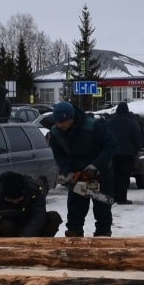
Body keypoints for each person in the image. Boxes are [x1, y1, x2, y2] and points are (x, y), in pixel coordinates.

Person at [47, 100, 116, 237]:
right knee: (75, 211)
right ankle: (74, 237)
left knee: (102, 208)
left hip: (99, 174)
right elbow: (59, 154)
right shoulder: (56, 132)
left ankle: (103, 237)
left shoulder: (93, 126)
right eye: (57, 122)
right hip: (78, 177)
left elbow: (111, 146)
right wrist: (67, 171)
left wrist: (96, 165)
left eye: (63, 122)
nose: (60, 126)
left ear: (71, 118)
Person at [0, 171, 63, 238]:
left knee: (53, 217)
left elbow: (38, 217)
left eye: (17, 200)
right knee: (6, 225)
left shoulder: (34, 191)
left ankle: (41, 247)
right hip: (9, 232)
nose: (15, 203)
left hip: (32, 230)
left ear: (24, 193)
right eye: (11, 200)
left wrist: (25, 239)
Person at [107, 102, 144, 205]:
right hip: (127, 154)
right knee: (124, 177)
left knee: (114, 176)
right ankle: (122, 198)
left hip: (112, 154)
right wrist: (136, 150)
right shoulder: (131, 123)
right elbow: (138, 139)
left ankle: (112, 197)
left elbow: (103, 137)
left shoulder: (109, 122)